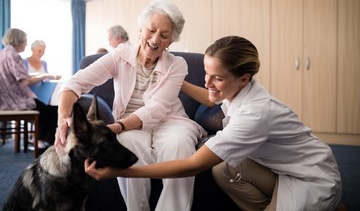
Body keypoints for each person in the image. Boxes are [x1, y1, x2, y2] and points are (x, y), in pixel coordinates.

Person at [85, 36, 343, 211]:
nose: (207, 82)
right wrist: (171, 79)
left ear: (243, 78)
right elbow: (208, 97)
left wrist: (120, 172)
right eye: (206, 73)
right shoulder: (240, 90)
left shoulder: (254, 114)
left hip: (310, 177)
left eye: (216, 78)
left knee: (213, 163)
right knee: (223, 170)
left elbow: (191, 166)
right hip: (280, 168)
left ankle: (325, 204)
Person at [55, 0, 206, 211]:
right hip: (130, 122)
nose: (155, 40)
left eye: (164, 35)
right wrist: (63, 119)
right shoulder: (119, 57)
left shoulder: (177, 65)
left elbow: (157, 107)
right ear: (140, 31)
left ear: (171, 41)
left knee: (179, 144)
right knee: (126, 143)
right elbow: (74, 83)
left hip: (170, 121)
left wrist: (118, 126)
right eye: (151, 30)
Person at [0, 28, 60, 150]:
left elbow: (22, 76)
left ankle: (41, 140)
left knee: (46, 108)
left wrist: (45, 75)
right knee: (53, 111)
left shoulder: (4, 53)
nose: (26, 45)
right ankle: (42, 143)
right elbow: (25, 80)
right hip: (14, 100)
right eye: (25, 41)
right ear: (18, 41)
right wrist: (46, 76)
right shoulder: (14, 56)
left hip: (5, 99)